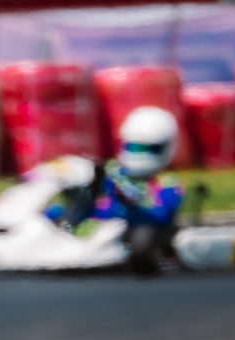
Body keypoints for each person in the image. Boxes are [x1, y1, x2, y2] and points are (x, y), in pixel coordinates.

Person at [48, 105, 186, 267]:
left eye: (148, 149)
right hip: (89, 222)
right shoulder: (109, 170)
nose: (139, 154)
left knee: (142, 234)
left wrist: (129, 196)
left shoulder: (167, 184)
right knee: (52, 212)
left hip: (125, 232)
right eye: (133, 147)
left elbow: (159, 215)